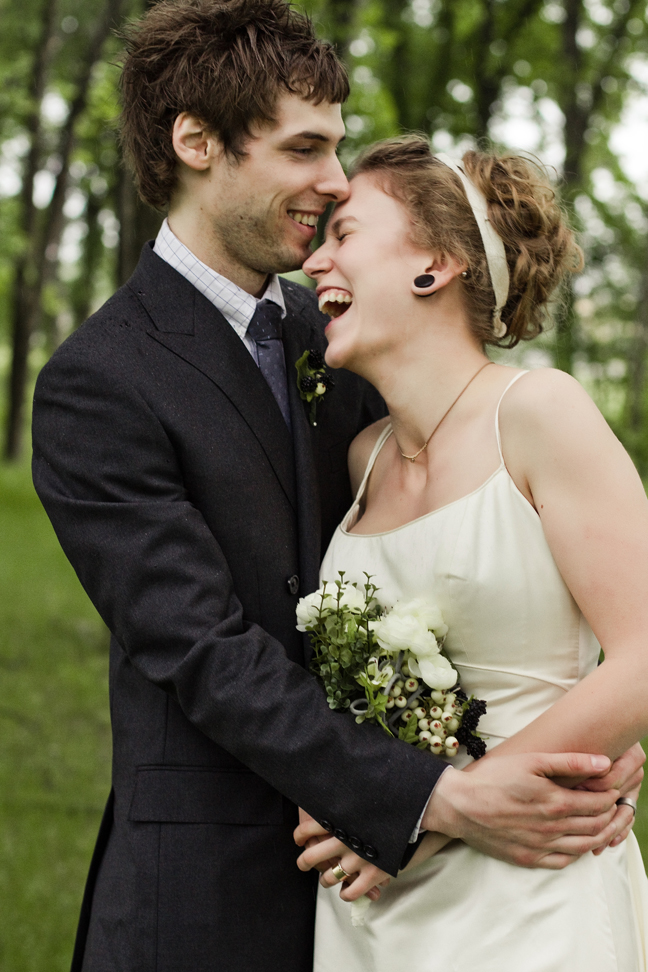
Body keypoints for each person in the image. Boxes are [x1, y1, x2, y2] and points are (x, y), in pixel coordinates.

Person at [31, 2, 642, 970]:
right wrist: (434, 800)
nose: (330, 181)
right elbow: (204, 649)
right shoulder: (98, 383)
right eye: (306, 148)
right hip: (215, 881)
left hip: (448, 879)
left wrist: (574, 738)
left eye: (339, 152)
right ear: (198, 141)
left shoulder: (349, 340)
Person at [296, 135, 648, 970]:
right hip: (368, 909)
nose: (315, 261)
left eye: (345, 233)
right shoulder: (364, 457)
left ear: (434, 266)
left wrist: (414, 816)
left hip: (527, 892)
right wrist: (393, 811)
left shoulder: (540, 414)